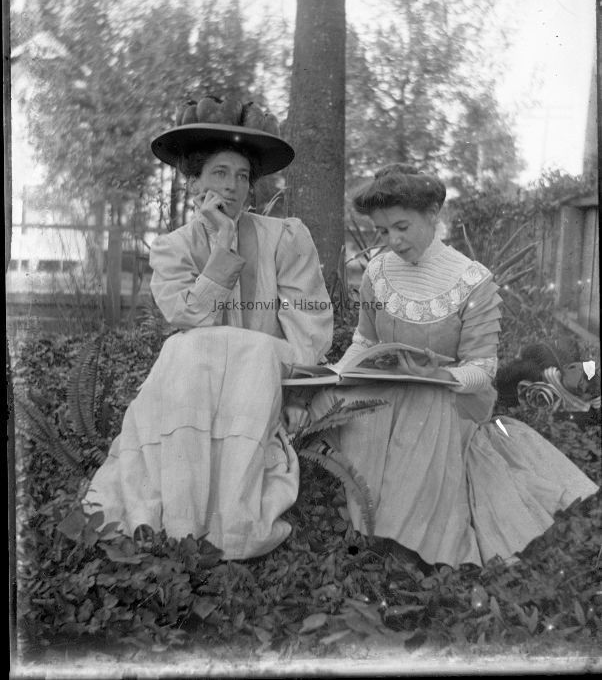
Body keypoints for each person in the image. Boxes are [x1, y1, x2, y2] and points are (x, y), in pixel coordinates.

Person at [310, 163, 598, 569]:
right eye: (382, 231)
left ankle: (407, 536)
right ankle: (373, 511)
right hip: (393, 383)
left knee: (422, 405)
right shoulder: (377, 271)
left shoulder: (472, 280)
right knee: (331, 396)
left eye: (402, 227)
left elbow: (482, 368)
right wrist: (339, 373)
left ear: (432, 214)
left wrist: (436, 376)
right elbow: (366, 340)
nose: (393, 241)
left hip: (452, 395)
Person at [83, 96, 333, 560]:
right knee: (187, 347)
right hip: (196, 382)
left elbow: (309, 326)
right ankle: (184, 516)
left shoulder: (285, 238)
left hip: (265, 376)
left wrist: (293, 391)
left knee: (245, 349)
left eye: (242, 176)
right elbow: (187, 318)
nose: (233, 187)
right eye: (219, 173)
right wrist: (222, 251)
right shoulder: (174, 248)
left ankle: (231, 522)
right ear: (195, 181)